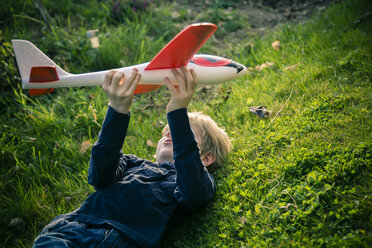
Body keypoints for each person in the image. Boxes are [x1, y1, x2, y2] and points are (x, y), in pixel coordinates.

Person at [33, 67, 232, 248]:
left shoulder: (192, 183)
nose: (170, 133)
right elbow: (99, 176)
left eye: (182, 132)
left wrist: (178, 113)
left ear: (206, 159)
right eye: (167, 131)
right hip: (66, 229)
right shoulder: (132, 163)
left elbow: (193, 187)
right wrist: (117, 111)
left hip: (116, 238)